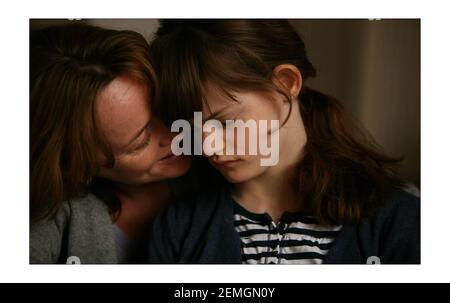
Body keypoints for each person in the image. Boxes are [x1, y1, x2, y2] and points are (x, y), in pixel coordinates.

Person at [148, 20, 420, 264]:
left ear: (286, 84)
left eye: (225, 123)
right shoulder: (178, 227)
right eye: (193, 129)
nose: (209, 148)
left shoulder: (400, 219)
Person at [30, 23, 191, 264]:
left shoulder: (222, 167)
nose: (176, 133)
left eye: (165, 107)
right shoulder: (51, 224)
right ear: (76, 168)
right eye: (141, 141)